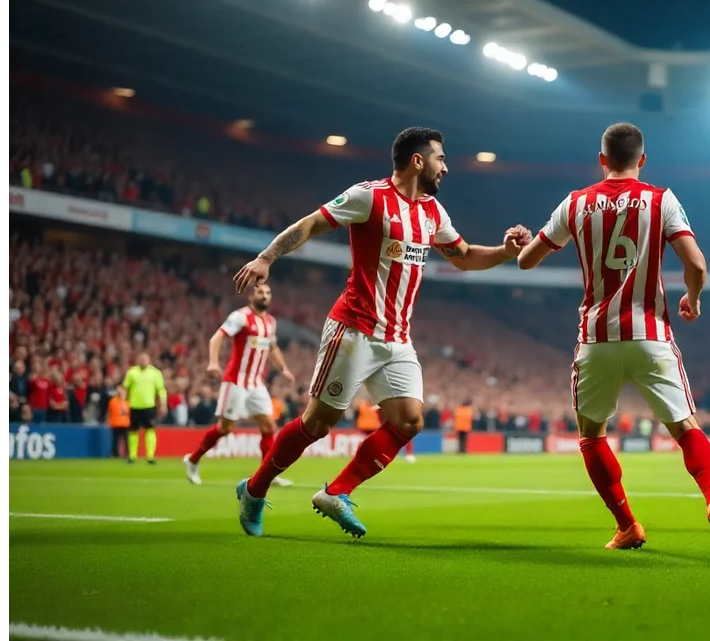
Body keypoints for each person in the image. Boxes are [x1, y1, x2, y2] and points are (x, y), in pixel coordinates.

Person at [231, 127, 531, 537]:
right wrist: (267, 258)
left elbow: (462, 257)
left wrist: (505, 252)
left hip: (397, 338)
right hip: (354, 329)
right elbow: (312, 223)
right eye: (441, 159)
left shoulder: (432, 212)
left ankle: (337, 491)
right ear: (418, 160)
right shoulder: (369, 196)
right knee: (318, 424)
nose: (446, 168)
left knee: (409, 422)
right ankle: (254, 488)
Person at [517, 122, 710, 553]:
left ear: (602, 160)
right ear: (642, 160)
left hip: (596, 339)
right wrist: (693, 300)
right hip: (650, 335)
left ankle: (627, 525)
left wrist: (527, 243)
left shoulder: (574, 203)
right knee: (685, 428)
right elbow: (696, 264)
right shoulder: (661, 200)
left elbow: (527, 262)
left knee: (592, 435)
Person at [183, 283, 296, 486]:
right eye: (260, 292)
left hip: (256, 383)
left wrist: (284, 369)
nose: (265, 295)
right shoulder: (240, 317)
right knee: (226, 428)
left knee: (269, 425)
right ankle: (193, 459)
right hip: (236, 382)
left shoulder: (270, 321)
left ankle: (267, 474)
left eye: (268, 292)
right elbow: (217, 337)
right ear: (251, 296)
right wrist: (213, 362)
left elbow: (273, 347)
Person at [123, 353, 167, 464]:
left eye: (145, 359)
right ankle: (132, 456)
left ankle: (150, 456)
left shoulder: (155, 373)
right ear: (138, 360)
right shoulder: (132, 372)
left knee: (150, 430)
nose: (143, 361)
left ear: (149, 360)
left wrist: (163, 404)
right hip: (134, 405)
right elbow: (125, 389)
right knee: (133, 431)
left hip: (149, 406)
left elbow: (161, 390)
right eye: (141, 359)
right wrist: (123, 405)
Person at [107, 385, 130, 459]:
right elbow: (111, 411)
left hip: (125, 424)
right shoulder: (113, 401)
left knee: (126, 440)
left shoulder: (127, 402)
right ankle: (115, 454)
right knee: (115, 440)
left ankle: (127, 454)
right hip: (116, 423)